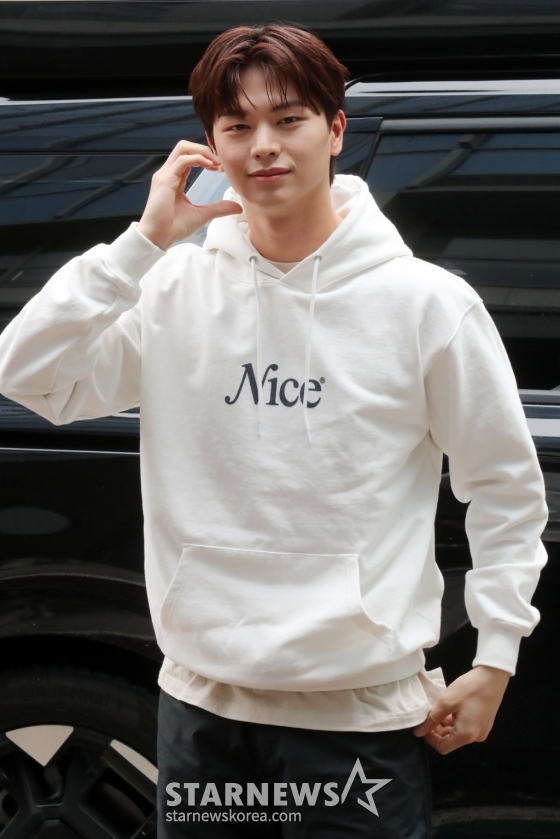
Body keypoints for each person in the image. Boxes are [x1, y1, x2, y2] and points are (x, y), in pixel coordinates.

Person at [0, 23, 548, 839]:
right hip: (201, 709)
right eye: (238, 125)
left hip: (357, 719)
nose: (264, 145)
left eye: (289, 119)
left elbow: (505, 485)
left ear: (335, 129)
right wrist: (141, 244)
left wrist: (498, 655)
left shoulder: (427, 304)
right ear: (210, 146)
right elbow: (27, 372)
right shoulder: (174, 287)